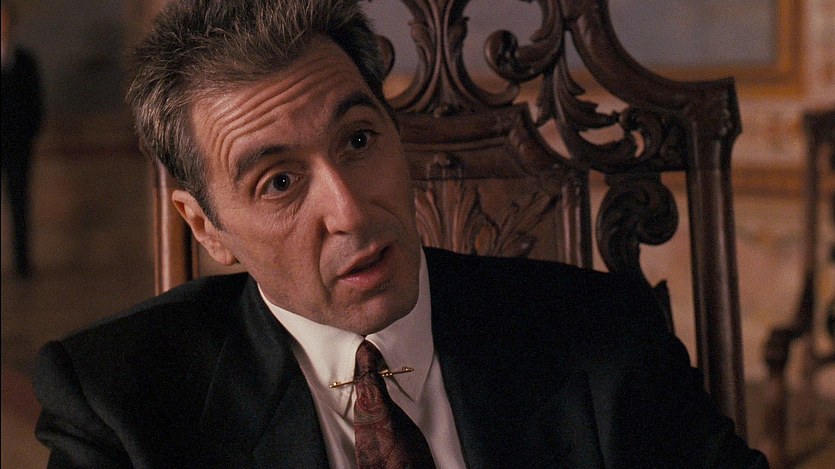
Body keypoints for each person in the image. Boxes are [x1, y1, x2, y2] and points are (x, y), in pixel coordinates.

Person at [33, 0, 768, 467]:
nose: (350, 211)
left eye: (358, 141)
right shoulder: (116, 401)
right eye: (279, 182)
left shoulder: (602, 334)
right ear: (206, 227)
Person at [1, 0, 42, 278]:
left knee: (19, 204)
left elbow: (36, 103)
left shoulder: (26, 61)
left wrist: (28, 134)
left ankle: (22, 262)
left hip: (17, 145)